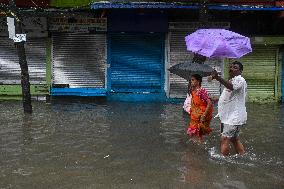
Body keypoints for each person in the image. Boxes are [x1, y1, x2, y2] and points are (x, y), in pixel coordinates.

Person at [211, 61, 247, 156]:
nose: (231, 69)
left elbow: (232, 87)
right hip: (227, 116)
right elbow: (230, 95)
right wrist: (218, 98)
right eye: (231, 67)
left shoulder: (240, 80)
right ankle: (242, 155)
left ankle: (225, 163)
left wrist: (218, 78)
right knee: (234, 139)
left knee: (224, 138)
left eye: (235, 67)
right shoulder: (232, 80)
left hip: (233, 117)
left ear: (241, 71)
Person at [186, 74, 213, 143]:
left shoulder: (201, 91)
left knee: (198, 135)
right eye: (190, 80)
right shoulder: (193, 91)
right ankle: (196, 150)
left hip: (201, 116)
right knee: (193, 135)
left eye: (193, 80)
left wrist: (204, 115)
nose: (191, 82)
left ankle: (199, 151)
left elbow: (209, 103)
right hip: (195, 117)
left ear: (198, 82)